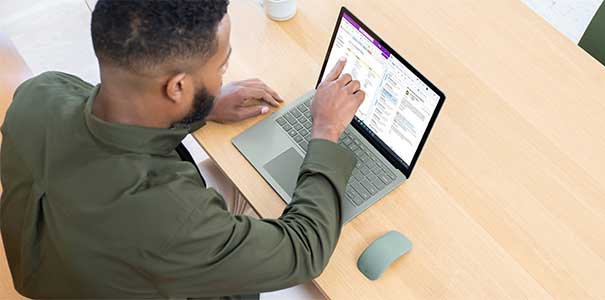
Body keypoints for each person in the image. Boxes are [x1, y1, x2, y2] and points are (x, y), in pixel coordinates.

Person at [0, 0, 365, 299]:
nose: (223, 75)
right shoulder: (171, 217)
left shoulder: (41, 93)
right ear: (176, 86)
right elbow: (305, 251)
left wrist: (202, 105)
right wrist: (326, 130)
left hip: (62, 269)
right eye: (221, 66)